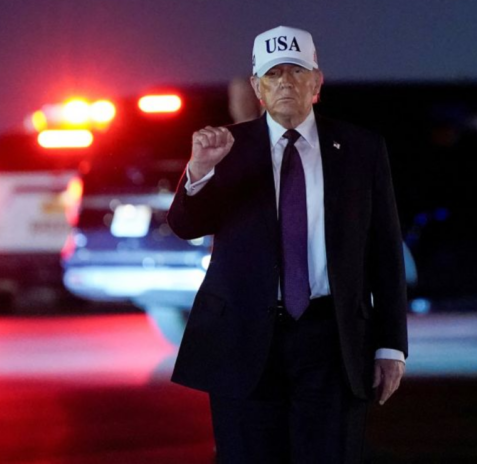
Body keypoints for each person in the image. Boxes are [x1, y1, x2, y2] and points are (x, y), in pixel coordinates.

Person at [167, 25, 408, 463]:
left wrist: (391, 345)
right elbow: (185, 225)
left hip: (331, 339)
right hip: (243, 340)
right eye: (273, 75)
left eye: (296, 73)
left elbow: (385, 254)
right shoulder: (228, 148)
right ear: (257, 88)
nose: (285, 84)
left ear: (317, 82)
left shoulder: (359, 149)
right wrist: (199, 171)